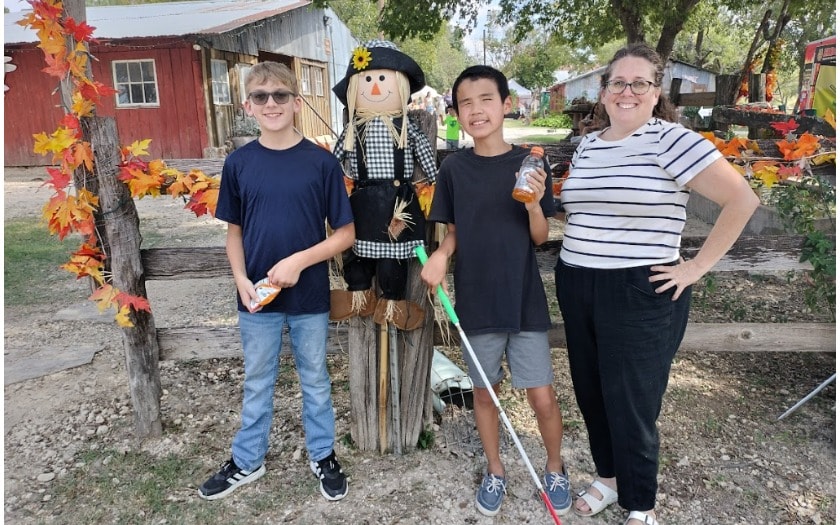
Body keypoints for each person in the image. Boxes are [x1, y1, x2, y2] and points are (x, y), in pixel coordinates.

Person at [554, 43, 759, 525]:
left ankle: (641, 505)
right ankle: (608, 479)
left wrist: (693, 268)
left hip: (638, 289)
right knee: (591, 390)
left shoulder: (673, 140)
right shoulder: (589, 143)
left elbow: (742, 201)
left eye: (639, 83)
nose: (627, 92)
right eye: (618, 83)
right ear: (603, 93)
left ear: (655, 91)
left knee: (632, 400)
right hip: (576, 281)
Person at [198, 61, 355, 502]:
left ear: (297, 102)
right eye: (261, 97)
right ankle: (248, 460)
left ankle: (323, 455)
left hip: (309, 297)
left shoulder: (321, 163)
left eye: (280, 96)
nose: (271, 104)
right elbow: (234, 234)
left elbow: (345, 234)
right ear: (248, 105)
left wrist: (300, 261)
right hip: (256, 298)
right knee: (257, 380)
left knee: (316, 379)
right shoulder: (240, 163)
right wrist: (240, 279)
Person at [420, 65, 571, 518]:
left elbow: (540, 237)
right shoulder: (454, 169)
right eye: (466, 103)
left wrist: (531, 202)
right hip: (476, 299)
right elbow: (455, 230)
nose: (476, 110)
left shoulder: (530, 162)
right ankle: (495, 469)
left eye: (486, 99)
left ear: (505, 105)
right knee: (485, 394)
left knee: (541, 395)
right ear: (458, 113)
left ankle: (555, 465)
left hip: (522, 298)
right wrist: (443, 254)